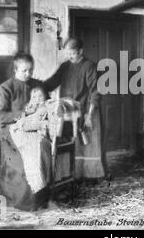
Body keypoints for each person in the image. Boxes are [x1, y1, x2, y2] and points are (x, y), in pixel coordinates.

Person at [0, 52, 51, 211]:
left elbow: (47, 103)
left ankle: (41, 196)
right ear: (15, 70)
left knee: (44, 146)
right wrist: (23, 114)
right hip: (12, 131)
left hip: (33, 128)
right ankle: (25, 201)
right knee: (28, 154)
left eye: (30, 70)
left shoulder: (37, 85)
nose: (28, 74)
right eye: (24, 71)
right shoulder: (4, 88)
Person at [43, 38, 105, 180]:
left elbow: (95, 91)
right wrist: (37, 86)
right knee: (69, 142)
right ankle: (71, 175)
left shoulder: (90, 66)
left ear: (80, 51)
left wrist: (89, 115)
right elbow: (52, 82)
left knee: (87, 144)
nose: (70, 56)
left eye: (72, 53)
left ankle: (90, 176)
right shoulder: (65, 66)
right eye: (68, 53)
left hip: (88, 109)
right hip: (68, 111)